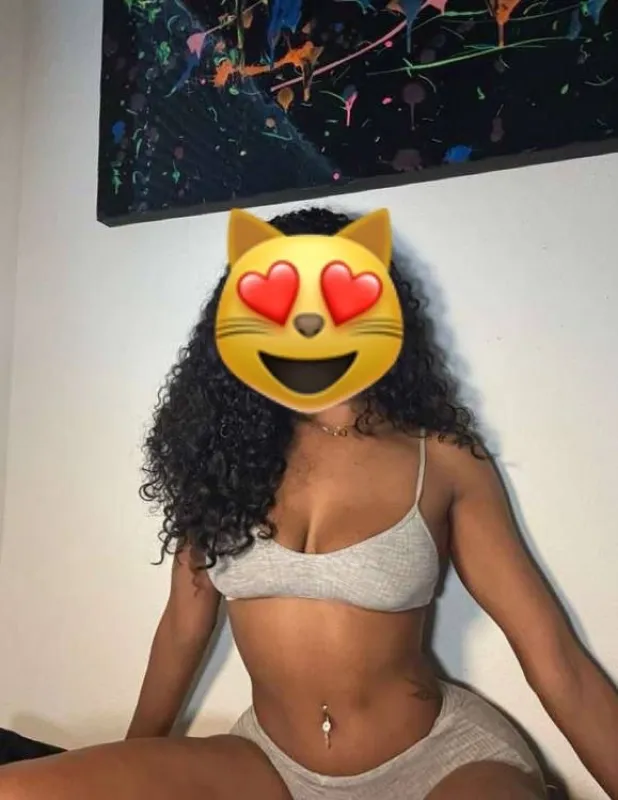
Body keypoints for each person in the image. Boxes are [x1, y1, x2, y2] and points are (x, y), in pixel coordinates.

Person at [1, 207, 616, 800]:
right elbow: (183, 630)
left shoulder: (443, 460)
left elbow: (556, 660)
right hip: (269, 765)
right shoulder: (220, 460)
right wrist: (135, 766)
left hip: (442, 764)